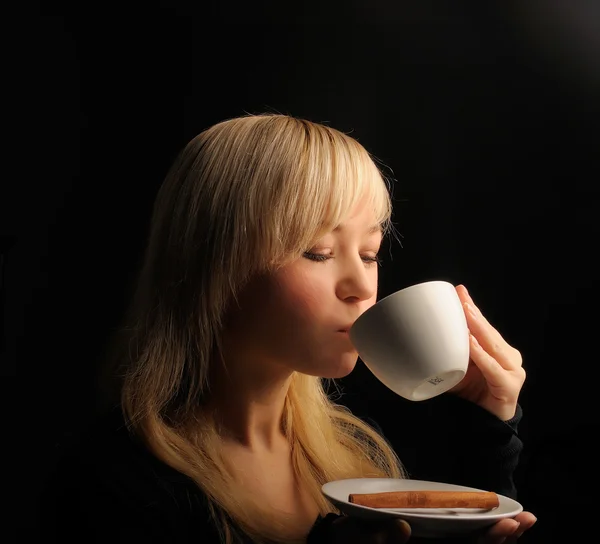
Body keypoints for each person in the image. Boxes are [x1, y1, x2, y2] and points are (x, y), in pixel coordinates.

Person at [38, 113, 537, 543]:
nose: (361, 286)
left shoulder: (358, 460)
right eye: (318, 252)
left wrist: (488, 430)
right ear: (217, 266)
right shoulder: (116, 483)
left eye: (370, 253)